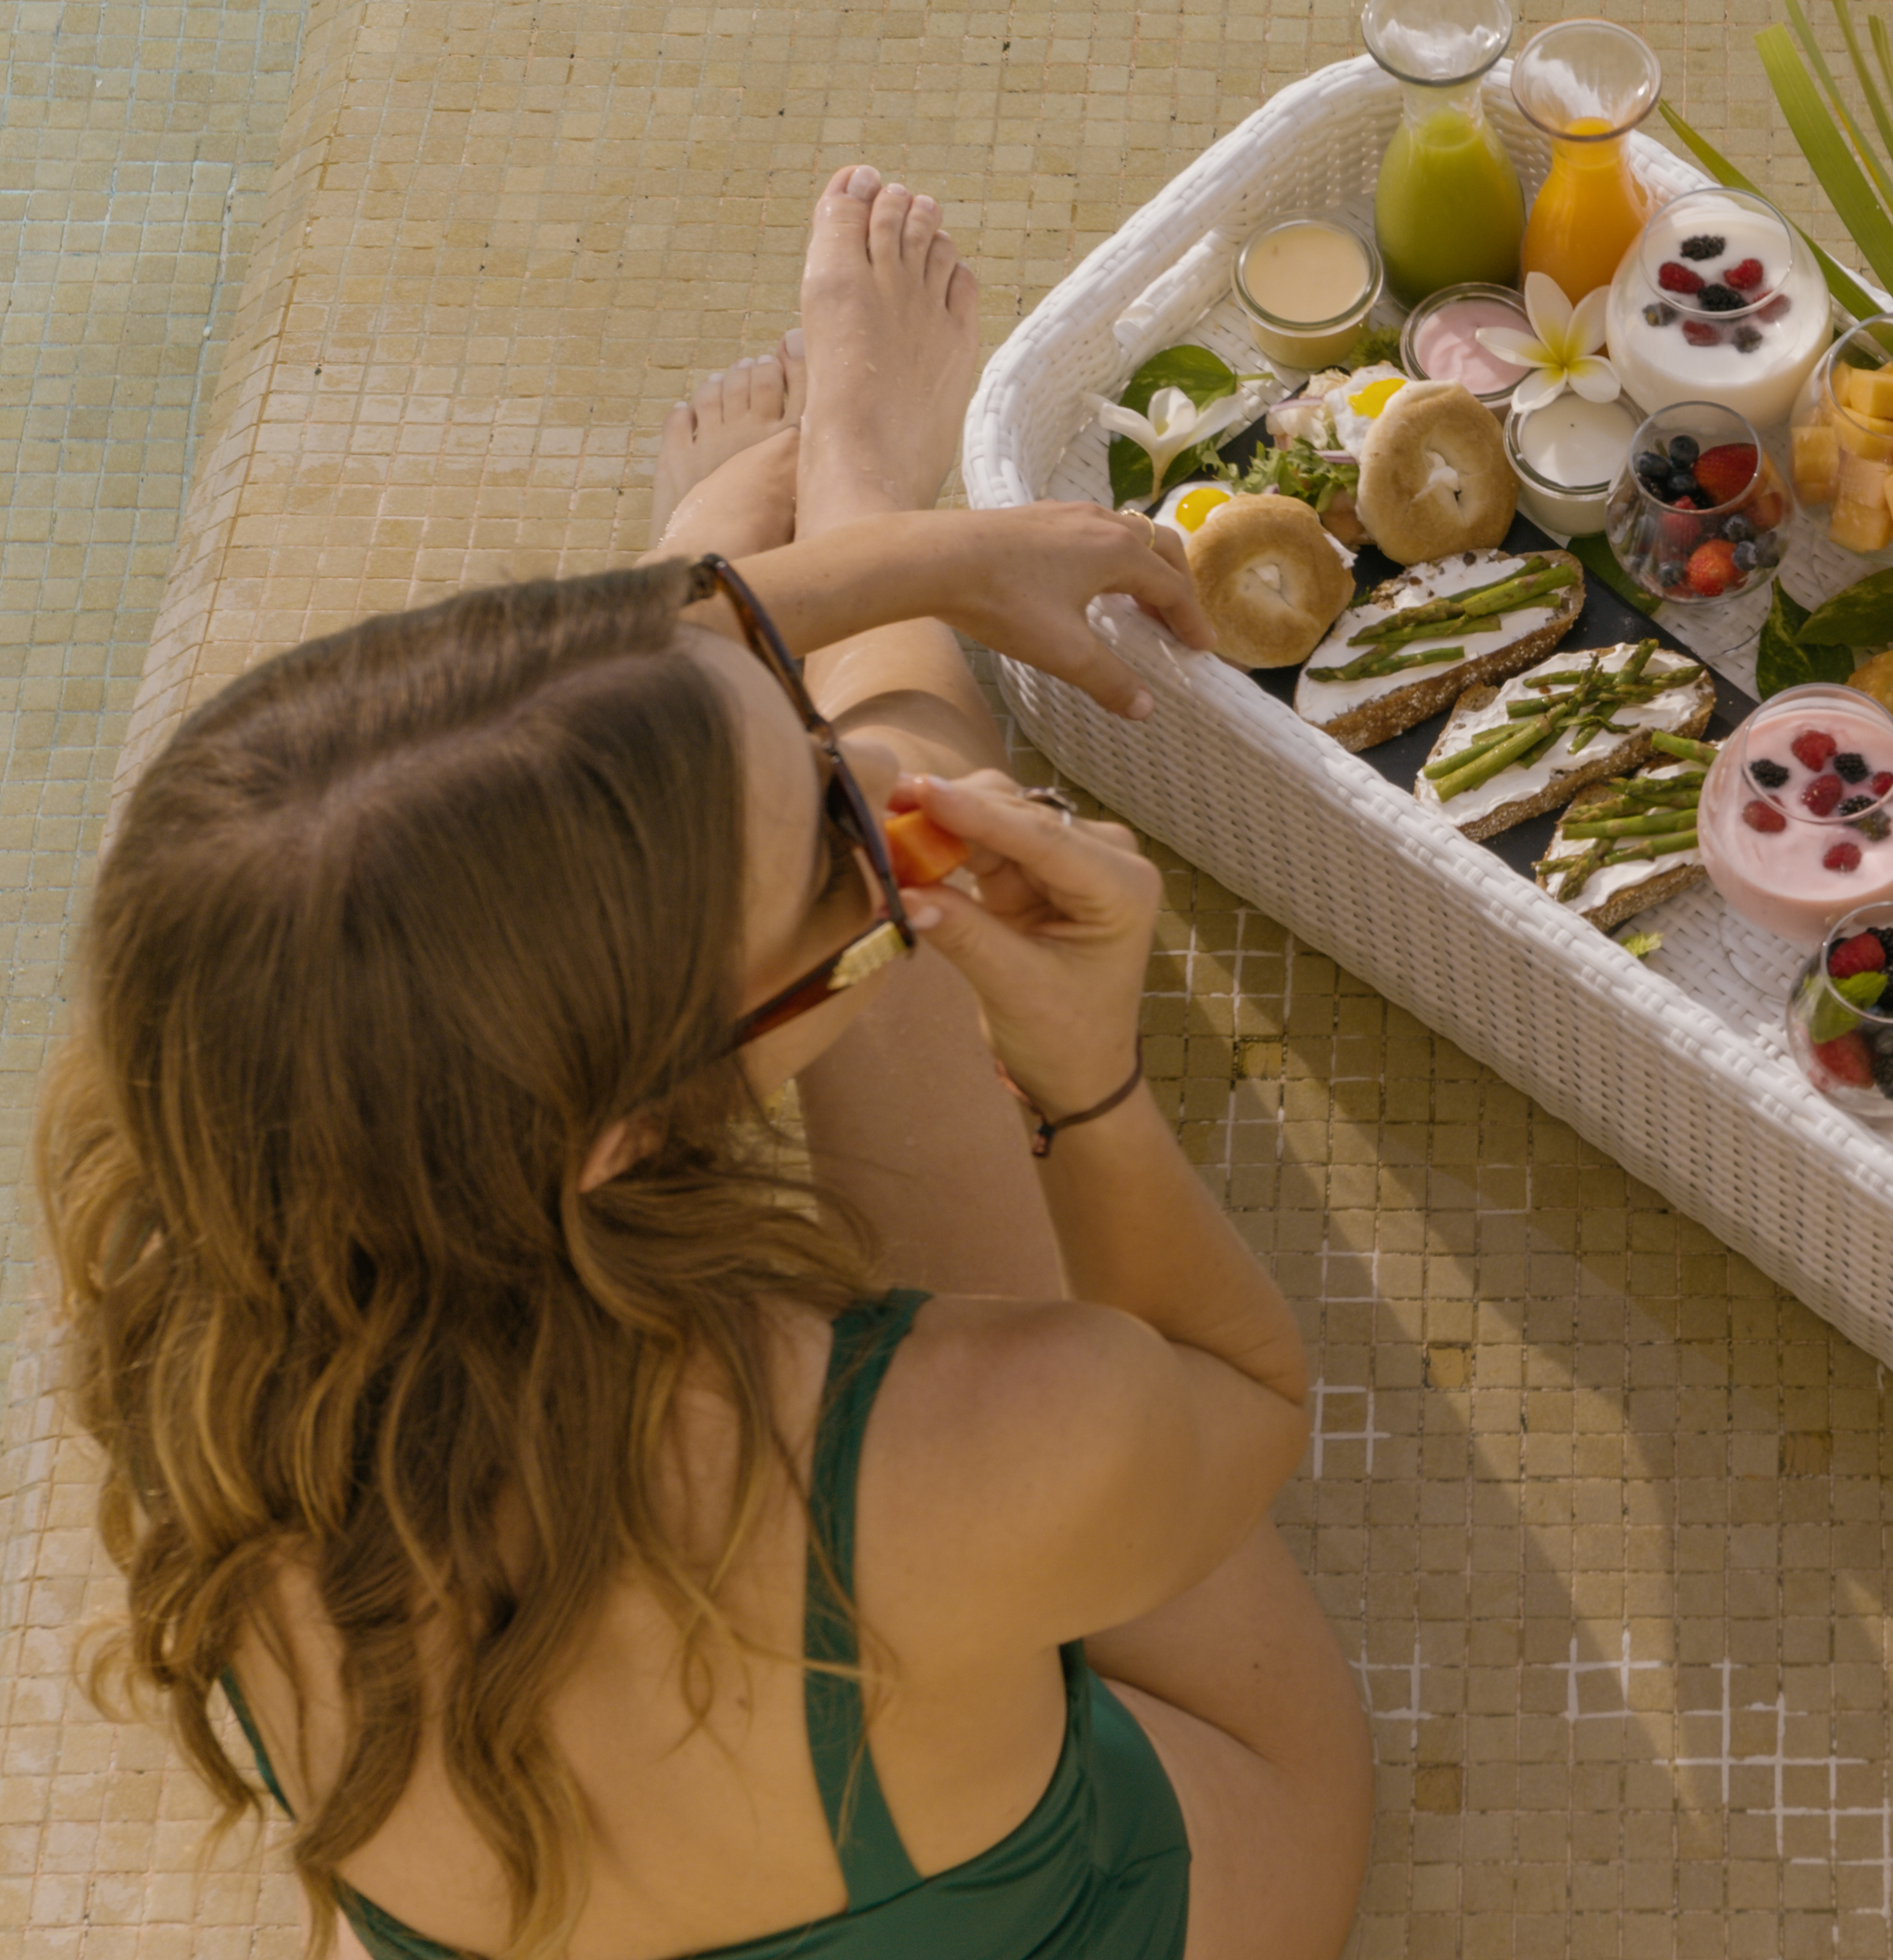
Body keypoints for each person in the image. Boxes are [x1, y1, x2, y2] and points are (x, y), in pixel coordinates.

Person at [46, 163, 1374, 1960]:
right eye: (833, 822)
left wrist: (921, 566)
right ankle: (838, 509)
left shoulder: (195, 1286)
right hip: (1068, 1835)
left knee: (713, 832)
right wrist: (1090, 1091)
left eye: (734, 619)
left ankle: (792, 584)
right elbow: (1240, 1401)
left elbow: (462, 812)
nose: (881, 811)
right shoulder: (959, 1450)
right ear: (625, 1128)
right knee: (918, 967)